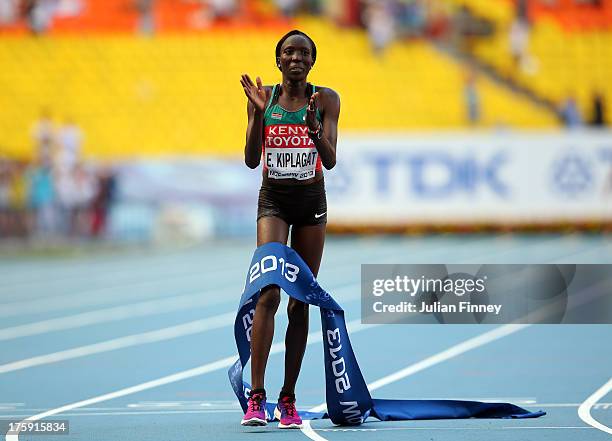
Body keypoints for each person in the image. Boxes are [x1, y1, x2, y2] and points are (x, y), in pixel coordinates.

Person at [239, 29, 340, 429]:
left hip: (311, 202)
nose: (296, 58)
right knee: (268, 293)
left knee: (301, 298)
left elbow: (330, 160)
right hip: (274, 202)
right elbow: (250, 160)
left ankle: (288, 399)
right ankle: (257, 398)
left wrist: (315, 130)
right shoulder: (264, 99)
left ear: (312, 61)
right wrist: (257, 115)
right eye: (289, 52)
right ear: (278, 60)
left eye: (304, 53)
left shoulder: (327, 99)